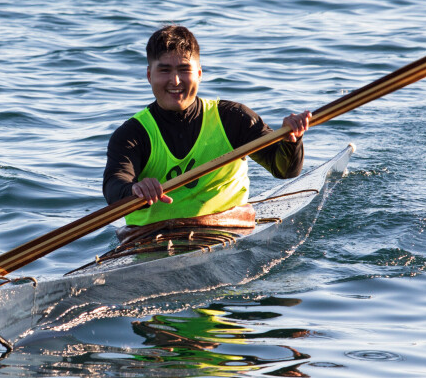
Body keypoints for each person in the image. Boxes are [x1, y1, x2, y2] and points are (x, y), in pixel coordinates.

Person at [102, 24, 311, 236]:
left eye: (184, 69)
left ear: (199, 73)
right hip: (151, 240)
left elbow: (285, 170)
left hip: (228, 230)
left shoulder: (234, 119)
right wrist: (134, 191)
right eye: (164, 70)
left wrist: (291, 141)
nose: (175, 81)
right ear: (149, 75)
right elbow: (114, 185)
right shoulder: (132, 135)